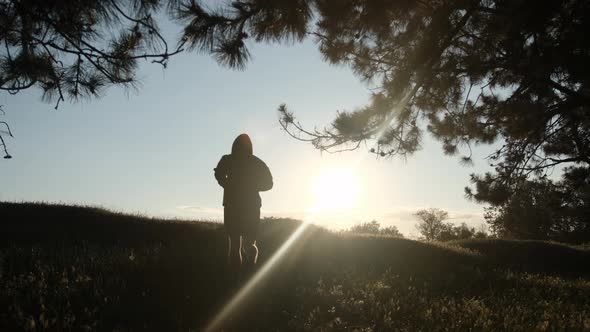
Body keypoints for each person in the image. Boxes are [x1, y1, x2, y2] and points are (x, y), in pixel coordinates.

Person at [214, 134, 273, 272]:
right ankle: (250, 271)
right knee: (249, 242)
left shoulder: (228, 159)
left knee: (235, 243)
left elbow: (218, 174)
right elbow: (269, 183)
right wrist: (253, 186)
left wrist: (226, 184)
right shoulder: (257, 162)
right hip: (250, 206)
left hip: (233, 205)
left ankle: (236, 275)